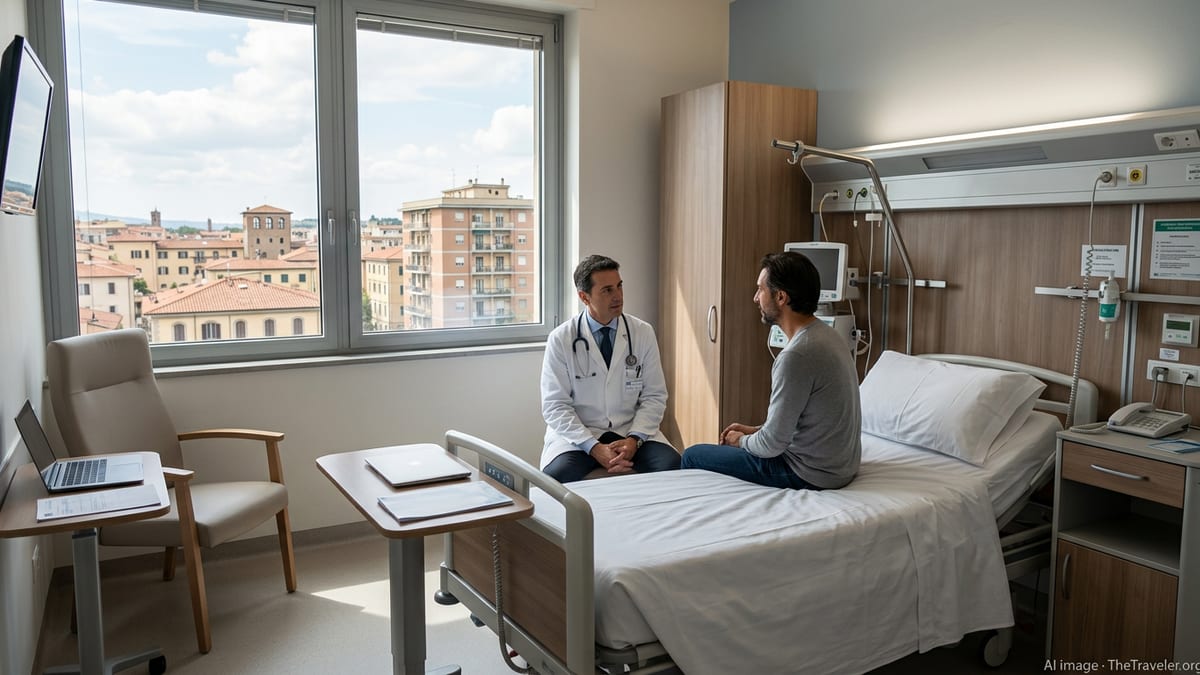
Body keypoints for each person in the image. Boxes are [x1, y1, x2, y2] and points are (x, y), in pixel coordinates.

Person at [681, 251, 861, 489]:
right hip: (841, 467)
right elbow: (804, 420)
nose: (756, 298)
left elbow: (771, 446)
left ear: (781, 297)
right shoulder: (828, 336)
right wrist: (757, 430)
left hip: (810, 473)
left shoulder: (796, 356)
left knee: (693, 455)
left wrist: (741, 441)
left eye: (760, 290)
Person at [540, 254, 680, 482]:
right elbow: (555, 406)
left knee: (673, 467)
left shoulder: (642, 332)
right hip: (581, 435)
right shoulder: (561, 339)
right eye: (607, 290)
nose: (618, 296)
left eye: (619, 286)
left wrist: (634, 440)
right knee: (555, 478)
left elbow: (655, 396)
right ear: (584, 297)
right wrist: (594, 448)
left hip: (630, 430)